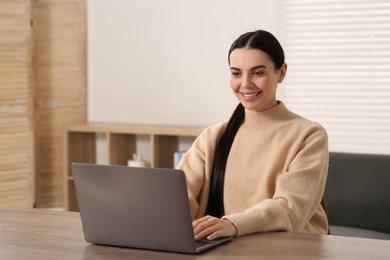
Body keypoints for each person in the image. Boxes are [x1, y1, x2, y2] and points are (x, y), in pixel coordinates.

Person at [177, 29, 329, 241]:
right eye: (236, 73)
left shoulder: (308, 135)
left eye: (258, 73)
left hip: (288, 249)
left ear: (281, 72)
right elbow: (178, 196)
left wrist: (233, 224)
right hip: (223, 247)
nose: (246, 84)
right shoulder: (213, 137)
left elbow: (291, 208)